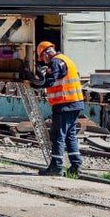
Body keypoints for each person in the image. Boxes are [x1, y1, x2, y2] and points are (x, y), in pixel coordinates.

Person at [29, 41, 85, 177]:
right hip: (75, 103)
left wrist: (34, 83)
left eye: (43, 59)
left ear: (46, 54)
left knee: (58, 136)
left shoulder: (55, 62)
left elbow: (50, 81)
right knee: (70, 135)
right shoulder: (66, 60)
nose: (44, 62)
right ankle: (76, 165)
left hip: (64, 104)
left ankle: (56, 167)